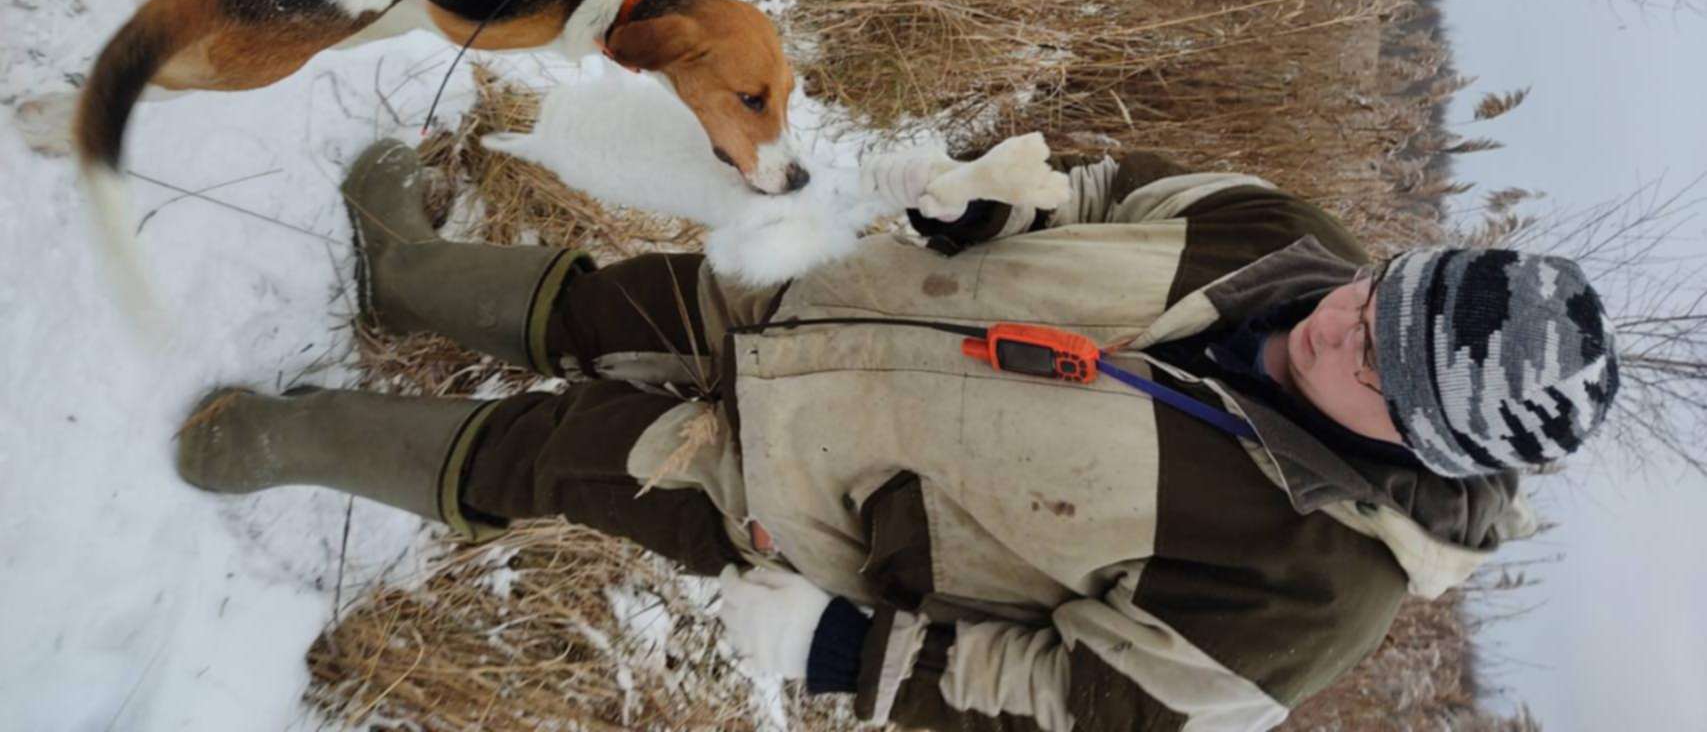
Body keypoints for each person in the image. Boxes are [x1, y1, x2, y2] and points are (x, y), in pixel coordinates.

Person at [178, 141, 1619, 731]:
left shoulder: (1319, 593)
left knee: (562, 454)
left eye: (1380, 369)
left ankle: (283, 440)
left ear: (1431, 449)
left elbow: (1075, 708)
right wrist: (1009, 198)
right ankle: (405, 271)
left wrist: (840, 651)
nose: (1339, 329)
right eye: (1387, 299)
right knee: (609, 300)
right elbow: (1111, 182)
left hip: (806, 499)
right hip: (836, 304)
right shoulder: (1282, 239)